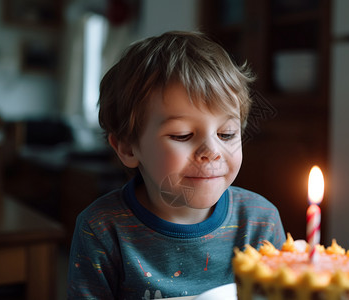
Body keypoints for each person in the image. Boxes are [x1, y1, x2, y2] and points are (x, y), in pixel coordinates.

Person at [67, 31, 285, 299]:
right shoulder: (101, 228)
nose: (212, 152)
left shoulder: (260, 221)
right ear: (126, 147)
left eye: (227, 134)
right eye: (182, 135)